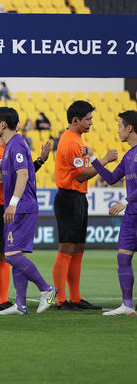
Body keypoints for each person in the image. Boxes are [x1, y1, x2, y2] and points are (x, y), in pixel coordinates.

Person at [0, 107, 56, 315]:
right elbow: (1, 178)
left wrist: (13, 203)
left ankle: (47, 289)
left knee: (12, 256)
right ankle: (21, 305)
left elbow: (22, 175)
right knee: (14, 256)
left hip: (22, 208)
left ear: (3, 124)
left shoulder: (17, 145)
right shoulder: (10, 147)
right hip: (16, 207)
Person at [52, 101, 116, 311]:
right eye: (88, 119)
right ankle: (61, 300)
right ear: (75, 120)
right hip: (69, 197)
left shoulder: (77, 140)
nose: (91, 123)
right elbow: (79, 176)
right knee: (67, 248)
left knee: (78, 248)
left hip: (78, 197)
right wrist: (104, 160)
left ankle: (76, 297)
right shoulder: (71, 141)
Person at [82, 110, 137, 315]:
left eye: (120, 126)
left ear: (129, 128)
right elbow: (112, 178)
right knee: (123, 258)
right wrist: (94, 158)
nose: (117, 130)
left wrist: (124, 201)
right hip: (132, 215)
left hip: (131, 209)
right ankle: (127, 305)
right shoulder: (129, 155)